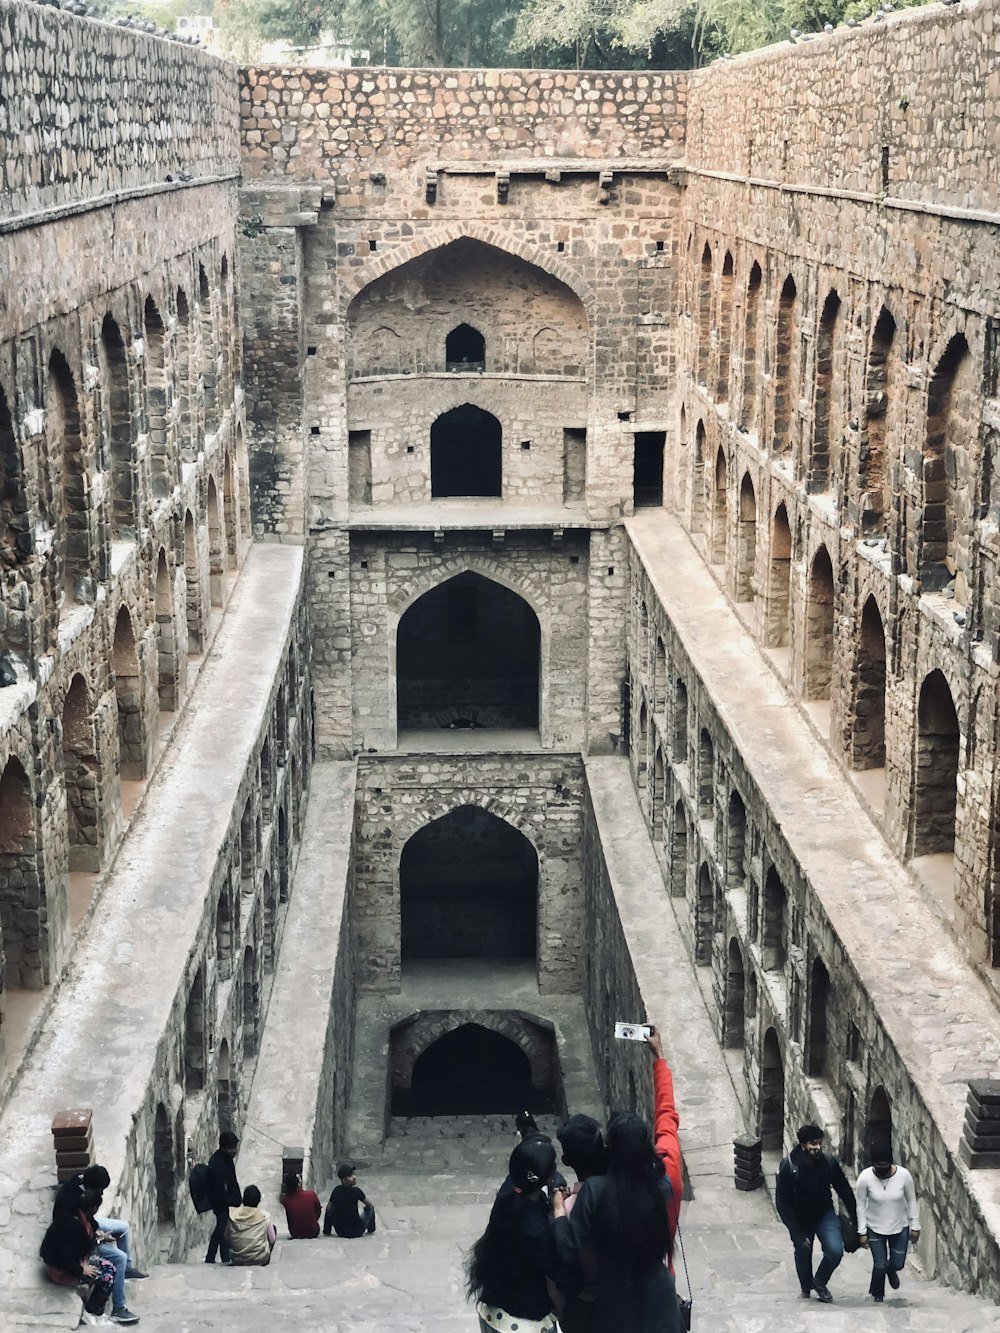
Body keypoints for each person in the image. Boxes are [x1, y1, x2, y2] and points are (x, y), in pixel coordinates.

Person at [552, 1107, 682, 1333]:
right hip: (660, 1296)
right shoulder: (661, 1186)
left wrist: (558, 1211)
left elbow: (568, 1249)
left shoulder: (595, 1191)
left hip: (618, 1301)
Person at [467, 1138, 566, 1333]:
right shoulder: (535, 1230)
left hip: (493, 1310)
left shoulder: (509, 1190)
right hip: (525, 1322)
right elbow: (558, 1275)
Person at [776, 1123, 858, 1304]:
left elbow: (844, 1190)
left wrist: (856, 1219)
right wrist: (796, 1232)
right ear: (803, 1144)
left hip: (824, 1214)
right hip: (801, 1218)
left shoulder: (828, 1162)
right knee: (803, 1253)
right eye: (813, 1144)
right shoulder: (789, 1166)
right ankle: (806, 1287)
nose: (818, 1147)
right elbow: (783, 1203)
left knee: (835, 1250)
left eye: (820, 1143)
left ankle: (820, 1281)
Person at [52, 1164, 145, 1324]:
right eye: (101, 1189)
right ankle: (118, 1308)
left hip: (85, 1227)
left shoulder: (80, 1186)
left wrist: (98, 1233)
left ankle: (126, 1270)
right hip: (74, 1251)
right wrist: (97, 1239)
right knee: (118, 1259)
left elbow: (89, 1223)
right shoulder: (73, 1214)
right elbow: (79, 1246)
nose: (102, 1193)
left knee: (123, 1228)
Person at [40, 1187, 120, 1326]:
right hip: (62, 1270)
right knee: (107, 1277)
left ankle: (94, 1309)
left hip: (73, 1261)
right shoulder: (74, 1227)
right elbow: (65, 1257)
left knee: (110, 1268)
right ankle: (93, 1312)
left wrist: (100, 1237)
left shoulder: (75, 1215)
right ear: (93, 1209)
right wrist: (81, 1269)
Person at [856, 1144, 920, 1303]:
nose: (881, 1169)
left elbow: (911, 1200)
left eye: (884, 1166)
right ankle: (877, 1295)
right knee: (879, 1264)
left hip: (899, 1227)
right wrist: (862, 1231)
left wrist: (915, 1225)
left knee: (897, 1263)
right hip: (875, 1227)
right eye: (878, 1166)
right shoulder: (865, 1178)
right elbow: (860, 1205)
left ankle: (891, 1271)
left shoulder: (904, 1176)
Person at [205, 1130, 241, 1264]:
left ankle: (212, 1257)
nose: (234, 1151)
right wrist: (232, 1200)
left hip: (223, 1201)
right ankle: (224, 1258)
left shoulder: (225, 1159)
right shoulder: (218, 1164)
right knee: (222, 1229)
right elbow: (218, 1189)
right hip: (220, 1202)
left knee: (221, 1229)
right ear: (225, 1147)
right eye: (231, 1148)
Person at [228, 1185, 277, 1266]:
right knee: (273, 1229)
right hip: (259, 1259)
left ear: (243, 1200)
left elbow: (226, 1237)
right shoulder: (264, 1216)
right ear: (258, 1200)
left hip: (237, 1259)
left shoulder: (233, 1216)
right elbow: (272, 1239)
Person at [324, 1164, 376, 1238]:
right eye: (350, 1176)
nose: (354, 1177)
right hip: (357, 1230)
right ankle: (371, 1229)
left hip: (341, 1231)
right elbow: (369, 1204)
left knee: (329, 1209)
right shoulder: (356, 1191)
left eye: (353, 1174)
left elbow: (328, 1209)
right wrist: (366, 1209)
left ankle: (327, 1230)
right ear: (344, 1180)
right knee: (371, 1208)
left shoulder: (336, 1190)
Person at [281, 1171, 322, 1239]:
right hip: (313, 1231)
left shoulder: (286, 1200)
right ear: (299, 1184)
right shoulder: (311, 1194)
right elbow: (318, 1211)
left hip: (295, 1233)